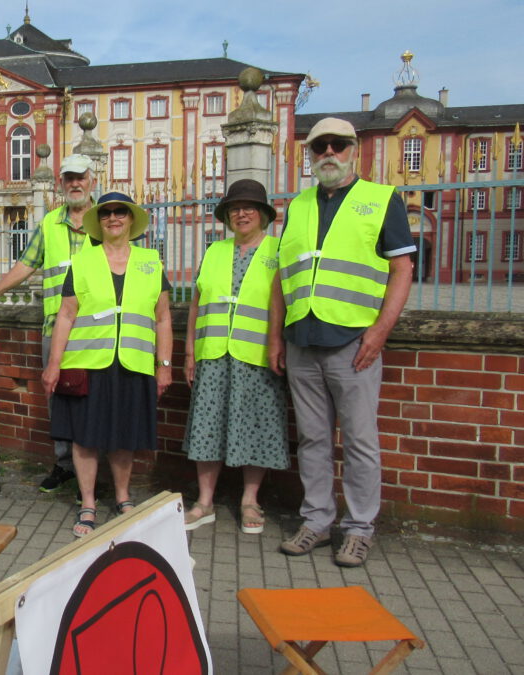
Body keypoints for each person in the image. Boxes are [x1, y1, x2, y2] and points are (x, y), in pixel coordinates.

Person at [269, 117, 414, 567]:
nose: (328, 153)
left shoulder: (381, 199)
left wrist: (380, 330)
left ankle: (358, 529)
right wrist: (276, 335)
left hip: (354, 341)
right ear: (309, 155)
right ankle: (316, 520)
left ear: (355, 150)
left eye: (338, 145)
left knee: (359, 441)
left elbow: (402, 269)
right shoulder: (299, 205)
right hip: (302, 339)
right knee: (312, 439)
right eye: (319, 147)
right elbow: (281, 275)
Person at [42, 193, 173, 537]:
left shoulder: (150, 261)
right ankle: (87, 502)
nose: (113, 218)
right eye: (106, 214)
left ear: (131, 220)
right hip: (88, 362)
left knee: (123, 437)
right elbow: (66, 315)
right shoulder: (82, 261)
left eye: (120, 212)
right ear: (98, 223)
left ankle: (123, 497)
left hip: (133, 363)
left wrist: (164, 364)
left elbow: (162, 319)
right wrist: (53, 364)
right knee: (84, 439)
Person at [0, 154, 95, 494]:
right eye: (69, 178)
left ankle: (93, 471)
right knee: (57, 398)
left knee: (94, 400)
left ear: (92, 181)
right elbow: (28, 263)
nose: (75, 184)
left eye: (80, 177)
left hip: (96, 329)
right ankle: (64, 465)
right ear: (61, 184)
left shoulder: (107, 219)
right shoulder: (50, 224)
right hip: (55, 327)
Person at [181, 179, 289, 535]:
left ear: (263, 214)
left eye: (249, 207)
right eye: (234, 208)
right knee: (207, 426)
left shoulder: (278, 251)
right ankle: (205, 501)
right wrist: (189, 351)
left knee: (256, 425)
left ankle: (249, 500)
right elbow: (197, 302)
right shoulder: (215, 251)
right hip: (213, 352)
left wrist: (278, 345)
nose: (241, 214)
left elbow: (281, 304)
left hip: (256, 355)